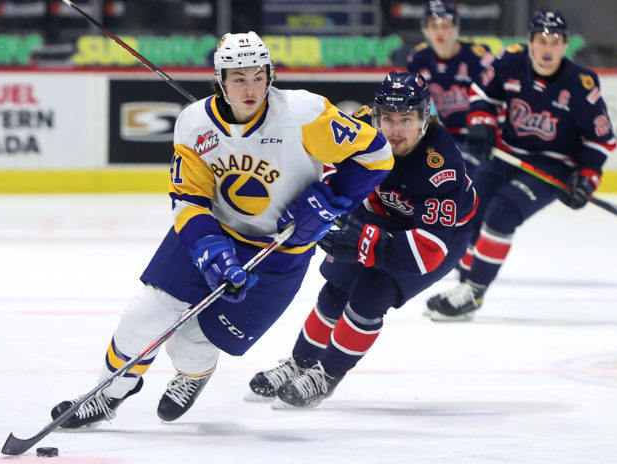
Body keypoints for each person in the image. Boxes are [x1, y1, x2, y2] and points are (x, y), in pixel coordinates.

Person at [50, 31, 394, 426]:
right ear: (220, 81)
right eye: (238, 79)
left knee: (191, 341)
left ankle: (193, 375)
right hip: (216, 233)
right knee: (145, 314)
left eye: (258, 76)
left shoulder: (304, 114)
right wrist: (209, 248)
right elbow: (189, 200)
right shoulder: (195, 124)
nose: (251, 88)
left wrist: (329, 200)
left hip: (279, 253)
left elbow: (376, 154)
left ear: (270, 75)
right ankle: (109, 393)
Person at [246, 71, 478, 408]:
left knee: (370, 297)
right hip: (381, 214)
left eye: (406, 120)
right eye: (388, 118)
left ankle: (325, 376)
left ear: (424, 119)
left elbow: (429, 250)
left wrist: (366, 243)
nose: (394, 130)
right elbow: (327, 160)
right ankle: (300, 363)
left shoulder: (440, 165)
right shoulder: (363, 126)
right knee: (335, 289)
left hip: (437, 238)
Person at [424, 10, 617, 321]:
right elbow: (483, 94)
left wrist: (587, 179)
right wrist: (482, 124)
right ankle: (463, 288)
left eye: (555, 41)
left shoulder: (581, 84)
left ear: (565, 45)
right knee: (471, 208)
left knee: (501, 213)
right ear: (529, 42)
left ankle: (473, 291)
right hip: (505, 154)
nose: (547, 48)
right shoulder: (510, 62)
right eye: (541, 40)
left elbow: (600, 139)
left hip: (551, 166)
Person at [406, 0, 494, 177]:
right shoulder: (418, 58)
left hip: (476, 137)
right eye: (433, 25)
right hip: (441, 136)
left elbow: (494, 98)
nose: (440, 32)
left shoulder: (479, 57)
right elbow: (416, 103)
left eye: (445, 25)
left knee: (478, 180)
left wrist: (485, 129)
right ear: (425, 29)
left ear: (456, 27)